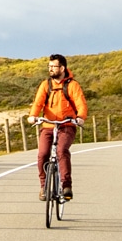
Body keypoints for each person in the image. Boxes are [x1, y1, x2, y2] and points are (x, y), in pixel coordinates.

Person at [29, 53, 86, 201]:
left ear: (62, 68)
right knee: (42, 154)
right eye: (49, 66)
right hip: (48, 125)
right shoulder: (45, 85)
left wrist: (80, 117)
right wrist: (33, 115)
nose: (50, 69)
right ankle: (43, 187)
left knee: (61, 151)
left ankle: (66, 186)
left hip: (66, 125)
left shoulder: (72, 85)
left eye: (54, 66)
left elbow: (80, 103)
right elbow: (38, 103)